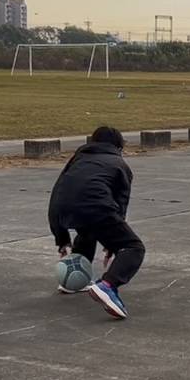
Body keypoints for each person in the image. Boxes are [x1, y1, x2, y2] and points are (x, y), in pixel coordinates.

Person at [48, 126, 145, 319]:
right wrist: (114, 244)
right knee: (134, 247)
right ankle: (108, 286)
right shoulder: (120, 164)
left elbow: (57, 194)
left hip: (65, 208)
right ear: (119, 146)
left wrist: (62, 238)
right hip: (97, 206)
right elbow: (119, 205)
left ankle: (74, 280)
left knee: (87, 231)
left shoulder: (77, 159)